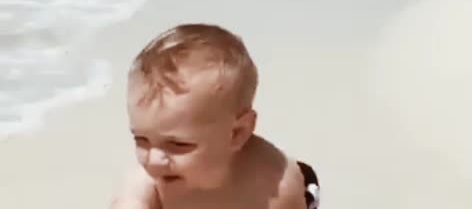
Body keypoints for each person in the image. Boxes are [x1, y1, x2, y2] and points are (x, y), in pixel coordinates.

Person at [110, 23, 320, 209]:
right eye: (141, 140)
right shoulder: (149, 180)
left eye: (178, 144)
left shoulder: (275, 186)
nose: (153, 160)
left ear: (237, 133)